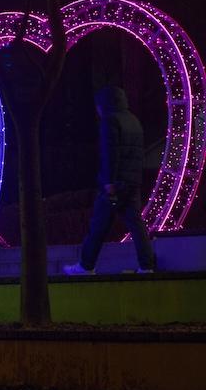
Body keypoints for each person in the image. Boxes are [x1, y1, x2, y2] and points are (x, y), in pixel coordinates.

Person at [63, 86, 155, 275]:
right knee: (136, 225)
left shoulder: (110, 121)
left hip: (115, 184)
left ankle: (86, 266)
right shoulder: (133, 120)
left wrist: (109, 181)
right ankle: (147, 266)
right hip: (132, 182)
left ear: (103, 105)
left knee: (98, 225)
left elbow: (110, 153)